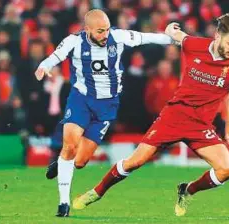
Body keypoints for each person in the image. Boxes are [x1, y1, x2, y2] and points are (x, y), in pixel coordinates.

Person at [72, 13, 229, 217]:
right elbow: (177, 34)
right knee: (135, 162)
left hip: (201, 125)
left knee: (227, 170)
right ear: (218, 35)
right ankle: (96, 192)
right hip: (173, 116)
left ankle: (187, 190)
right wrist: (169, 30)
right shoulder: (194, 45)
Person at [35, 9, 175, 217]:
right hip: (80, 99)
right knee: (70, 145)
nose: (105, 35)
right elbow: (55, 56)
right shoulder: (73, 41)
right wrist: (43, 66)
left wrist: (172, 37)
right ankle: (63, 203)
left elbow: (145, 38)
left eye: (107, 30)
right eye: (100, 31)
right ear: (87, 30)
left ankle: (63, 163)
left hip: (107, 106)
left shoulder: (117, 36)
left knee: (80, 161)